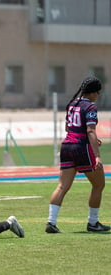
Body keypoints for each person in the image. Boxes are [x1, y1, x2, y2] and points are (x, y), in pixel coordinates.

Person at [46, 76, 110, 233]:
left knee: (62, 186)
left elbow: (69, 128)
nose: (98, 95)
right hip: (81, 148)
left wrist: (93, 140)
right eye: (98, 92)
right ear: (93, 93)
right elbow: (90, 130)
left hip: (67, 146)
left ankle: (51, 222)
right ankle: (93, 223)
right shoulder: (90, 107)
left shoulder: (72, 104)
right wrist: (97, 156)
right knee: (99, 184)